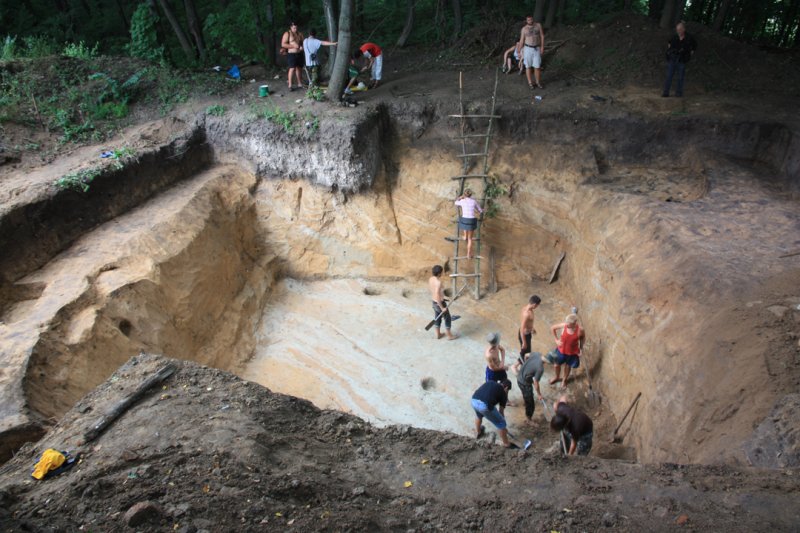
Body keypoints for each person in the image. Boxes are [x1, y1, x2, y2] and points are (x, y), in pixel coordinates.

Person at [471, 379, 517, 449]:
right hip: (484, 405)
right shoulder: (503, 394)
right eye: (508, 390)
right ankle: (506, 444)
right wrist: (503, 427)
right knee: (501, 423)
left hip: (474, 400)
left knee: (479, 415)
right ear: (506, 388)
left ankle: (478, 432)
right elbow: (501, 412)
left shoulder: (490, 382)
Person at [546, 314, 585, 389]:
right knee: (556, 365)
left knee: (568, 366)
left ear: (575, 323)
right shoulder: (564, 325)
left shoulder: (580, 330)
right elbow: (553, 328)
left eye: (568, 324)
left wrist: (581, 348)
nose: (566, 325)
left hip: (572, 352)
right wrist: (556, 340)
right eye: (566, 323)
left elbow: (583, 338)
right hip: (561, 350)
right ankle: (557, 377)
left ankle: (564, 380)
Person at [662, 21, 697, 97]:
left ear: (684, 29)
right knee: (669, 76)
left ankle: (678, 93)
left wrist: (690, 53)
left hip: (682, 60)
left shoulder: (689, 38)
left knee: (680, 77)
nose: (678, 31)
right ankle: (666, 92)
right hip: (673, 59)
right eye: (677, 29)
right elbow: (669, 43)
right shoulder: (674, 37)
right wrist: (671, 51)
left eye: (680, 29)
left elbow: (694, 45)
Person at [428, 265, 457, 340]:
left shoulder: (431, 279)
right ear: (439, 273)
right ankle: (449, 336)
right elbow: (437, 294)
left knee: (437, 318)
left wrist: (445, 298)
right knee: (447, 318)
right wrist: (442, 307)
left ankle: (438, 334)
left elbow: (434, 292)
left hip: (434, 302)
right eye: (441, 272)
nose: (442, 273)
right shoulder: (438, 282)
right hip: (439, 303)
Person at [516, 15, 545, 90]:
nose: (530, 21)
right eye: (528, 20)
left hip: (537, 48)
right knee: (528, 66)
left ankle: (538, 82)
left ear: (533, 19)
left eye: (531, 19)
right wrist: (519, 51)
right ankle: (530, 83)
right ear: (526, 20)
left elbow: (542, 36)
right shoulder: (524, 29)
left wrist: (542, 47)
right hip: (527, 48)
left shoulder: (538, 25)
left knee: (537, 66)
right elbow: (521, 40)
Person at [517, 351, 545, 424]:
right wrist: (539, 394)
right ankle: (528, 419)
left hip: (520, 377)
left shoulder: (537, 354)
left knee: (526, 395)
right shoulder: (540, 368)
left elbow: (526, 355)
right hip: (524, 383)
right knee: (531, 404)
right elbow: (536, 382)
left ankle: (525, 401)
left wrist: (526, 366)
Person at [515, 295, 541, 370]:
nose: (537, 307)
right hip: (524, 335)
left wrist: (532, 328)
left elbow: (528, 323)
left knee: (527, 351)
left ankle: (523, 365)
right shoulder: (527, 314)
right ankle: (516, 366)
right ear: (534, 304)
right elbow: (522, 328)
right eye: (537, 305)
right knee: (525, 352)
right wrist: (524, 341)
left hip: (527, 333)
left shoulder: (525, 308)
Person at [455, 189, 483, 259]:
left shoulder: (462, 201)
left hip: (464, 220)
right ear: (471, 195)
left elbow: (455, 202)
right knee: (470, 239)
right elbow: (480, 210)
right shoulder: (474, 201)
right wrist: (481, 210)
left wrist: (460, 198)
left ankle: (465, 236)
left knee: (464, 221)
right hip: (471, 220)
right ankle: (468, 255)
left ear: (464, 195)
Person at [281, 22, 305, 91]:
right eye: (294, 28)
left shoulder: (300, 34)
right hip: (291, 54)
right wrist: (293, 46)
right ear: (291, 27)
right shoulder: (287, 34)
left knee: (299, 68)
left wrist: (302, 47)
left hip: (299, 53)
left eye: (296, 28)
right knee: (292, 68)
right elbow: (283, 44)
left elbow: (303, 43)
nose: (295, 29)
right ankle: (290, 85)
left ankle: (299, 83)